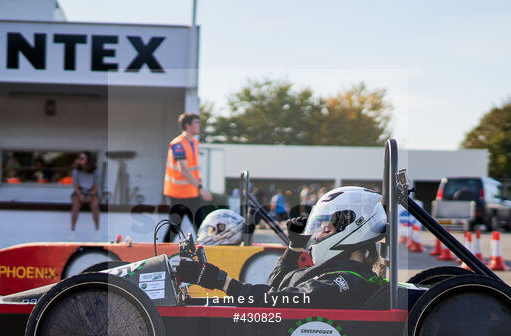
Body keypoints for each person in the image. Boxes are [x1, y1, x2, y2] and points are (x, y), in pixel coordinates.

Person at [177, 186, 388, 308]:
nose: (318, 235)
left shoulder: (345, 281)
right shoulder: (338, 271)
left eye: (327, 229)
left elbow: (277, 300)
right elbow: (279, 284)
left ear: (352, 232)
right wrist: (294, 247)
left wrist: (220, 281)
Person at [163, 112, 212, 241]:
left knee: (200, 227)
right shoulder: (178, 144)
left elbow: (193, 169)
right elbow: (183, 169)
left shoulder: (194, 143)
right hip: (178, 194)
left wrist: (198, 188)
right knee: (174, 228)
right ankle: (161, 256)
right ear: (187, 125)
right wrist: (201, 188)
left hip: (191, 193)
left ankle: (206, 256)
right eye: (196, 122)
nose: (199, 125)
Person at [70, 151, 100, 240]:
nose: (80, 160)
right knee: (75, 206)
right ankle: (72, 230)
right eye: (79, 158)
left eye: (82, 158)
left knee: (95, 207)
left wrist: (91, 195)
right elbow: (75, 186)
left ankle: (97, 231)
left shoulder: (95, 171)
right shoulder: (76, 171)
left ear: (88, 160)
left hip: (91, 192)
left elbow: (96, 187)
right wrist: (80, 195)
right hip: (79, 192)